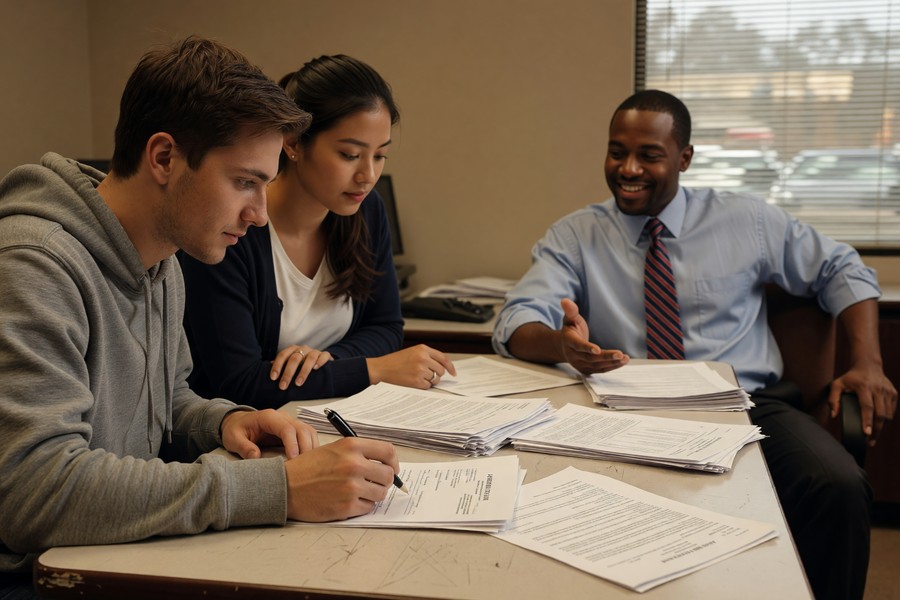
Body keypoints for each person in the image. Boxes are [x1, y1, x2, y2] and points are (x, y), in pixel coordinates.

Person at [0, 38, 403, 598]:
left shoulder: (163, 259)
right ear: (164, 158)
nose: (260, 215)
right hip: (38, 578)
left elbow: (170, 400)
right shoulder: (33, 268)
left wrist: (224, 420)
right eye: (244, 182)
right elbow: (34, 493)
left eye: (264, 184)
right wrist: (277, 487)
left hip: (117, 555)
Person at [492, 89, 897, 600]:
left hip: (748, 407)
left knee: (837, 486)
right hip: (625, 412)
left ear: (684, 158)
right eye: (617, 152)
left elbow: (844, 267)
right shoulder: (576, 236)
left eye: (649, 155)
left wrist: (867, 363)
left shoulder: (746, 221)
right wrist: (562, 346)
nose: (628, 168)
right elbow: (516, 320)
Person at [179, 54, 455, 408]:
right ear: (293, 143)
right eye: (349, 154)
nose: (368, 176)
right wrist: (370, 371)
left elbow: (386, 327)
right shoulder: (232, 227)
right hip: (242, 441)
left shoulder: (367, 211)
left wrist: (328, 360)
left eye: (380, 155)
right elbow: (239, 383)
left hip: (331, 419)